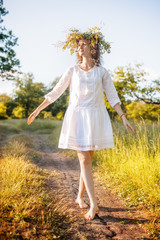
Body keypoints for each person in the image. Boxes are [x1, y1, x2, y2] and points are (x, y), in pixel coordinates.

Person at [27, 27, 135, 221]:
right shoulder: (72, 70)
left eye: (84, 44)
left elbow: (113, 96)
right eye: (78, 45)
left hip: (95, 118)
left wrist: (123, 117)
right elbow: (56, 91)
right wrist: (38, 109)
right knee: (84, 160)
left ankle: (79, 196)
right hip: (77, 118)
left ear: (93, 48)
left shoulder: (102, 72)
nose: (80, 47)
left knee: (87, 161)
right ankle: (94, 204)